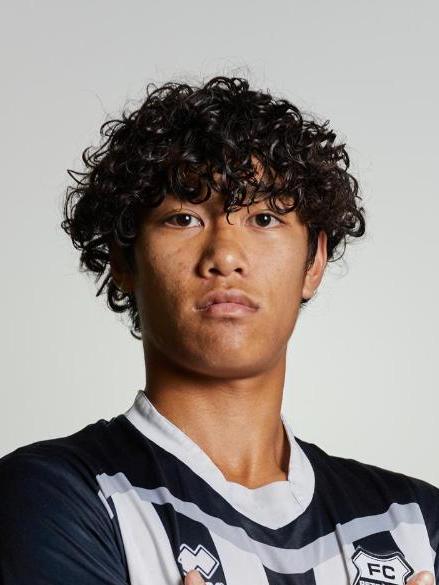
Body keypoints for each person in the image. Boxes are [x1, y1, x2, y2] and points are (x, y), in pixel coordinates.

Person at [0, 75, 437, 585]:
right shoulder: (53, 496)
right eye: (183, 218)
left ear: (314, 260)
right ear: (124, 258)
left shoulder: (416, 522)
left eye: (265, 218)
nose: (225, 256)